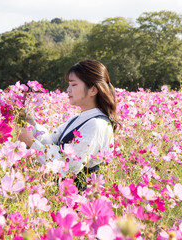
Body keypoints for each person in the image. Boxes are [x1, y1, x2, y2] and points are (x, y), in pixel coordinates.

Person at [18, 60, 117, 188]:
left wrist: (31, 142)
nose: (68, 90)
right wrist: (30, 121)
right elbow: (50, 141)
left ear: (93, 90)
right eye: (69, 85)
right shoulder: (78, 118)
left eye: (74, 85)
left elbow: (69, 167)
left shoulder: (97, 125)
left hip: (82, 200)